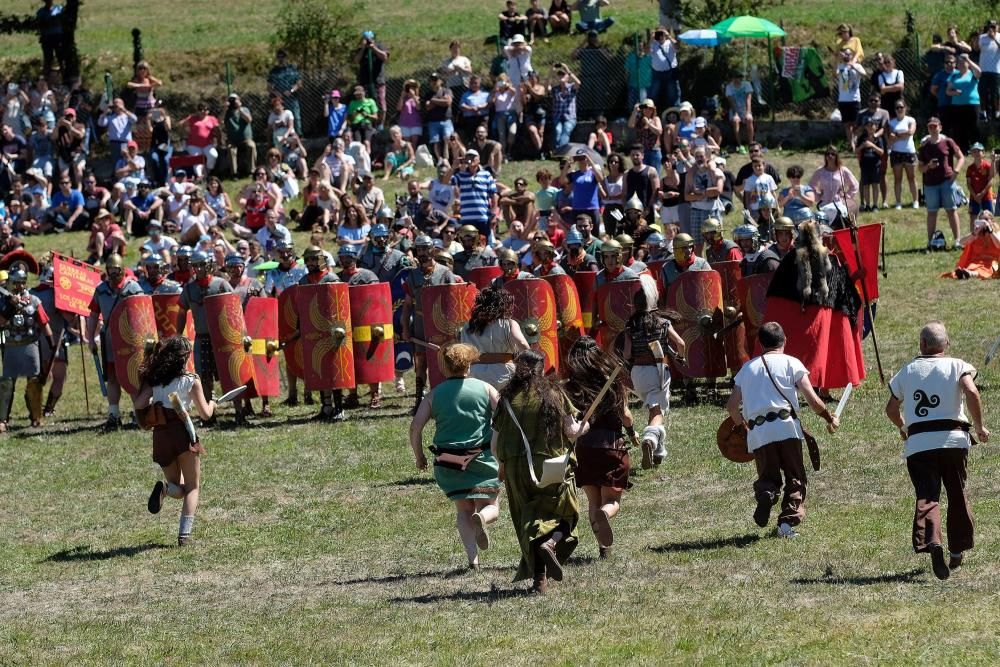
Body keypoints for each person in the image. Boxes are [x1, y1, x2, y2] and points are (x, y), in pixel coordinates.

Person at [885, 322, 989, 579]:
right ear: (947, 345)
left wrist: (902, 427)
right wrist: (979, 427)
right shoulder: (957, 365)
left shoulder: (908, 370)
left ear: (921, 344)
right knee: (956, 492)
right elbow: (972, 392)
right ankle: (957, 551)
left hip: (919, 444)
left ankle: (934, 542)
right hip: (954, 441)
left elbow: (890, 409)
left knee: (927, 495)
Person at [727, 321, 839, 538]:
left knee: (768, 476)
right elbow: (813, 399)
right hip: (787, 428)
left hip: (759, 432)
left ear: (760, 344)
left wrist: (744, 427)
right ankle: (786, 525)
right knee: (795, 478)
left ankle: (766, 493)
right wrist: (828, 417)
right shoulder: (791, 363)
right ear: (784, 340)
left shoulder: (747, 369)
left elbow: (732, 406)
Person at [491, 349, 586, 593]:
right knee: (567, 514)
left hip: (516, 468)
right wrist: (585, 427)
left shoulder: (506, 399)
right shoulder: (554, 394)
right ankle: (552, 544)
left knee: (528, 520)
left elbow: (495, 442)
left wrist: (502, 466)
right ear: (541, 368)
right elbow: (572, 431)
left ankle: (539, 581)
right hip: (550, 466)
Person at [409, 342, 500, 570]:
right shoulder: (486, 388)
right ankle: (484, 517)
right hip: (482, 458)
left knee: (463, 511)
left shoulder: (434, 395)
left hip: (448, 462)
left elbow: (415, 428)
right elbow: (504, 417)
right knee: (491, 505)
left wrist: (419, 456)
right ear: (469, 364)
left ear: (444, 367)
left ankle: (473, 560)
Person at [135, 336, 216, 546]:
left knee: (176, 487)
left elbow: (139, 403)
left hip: (161, 435)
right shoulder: (191, 380)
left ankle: (165, 488)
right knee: (192, 488)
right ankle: (184, 536)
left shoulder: (155, 380)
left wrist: (154, 397)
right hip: (182, 433)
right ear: (185, 357)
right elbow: (206, 414)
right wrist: (213, 403)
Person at [401, 235, 460, 414]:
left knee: (444, 361)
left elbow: (455, 301)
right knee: (420, 363)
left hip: (442, 325)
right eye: (419, 249)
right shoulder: (412, 275)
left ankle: (448, 398)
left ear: (433, 250)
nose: (423, 253)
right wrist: (405, 327)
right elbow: (407, 305)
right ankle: (419, 400)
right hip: (420, 323)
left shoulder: (445, 273)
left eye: (426, 249)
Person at [86, 255, 145, 432]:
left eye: (115, 270)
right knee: (112, 377)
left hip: (130, 340)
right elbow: (94, 314)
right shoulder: (101, 290)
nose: (112, 274)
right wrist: (90, 338)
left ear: (121, 270)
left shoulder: (133, 287)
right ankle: (114, 414)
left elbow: (143, 312)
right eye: (110, 270)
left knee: (133, 377)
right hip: (110, 340)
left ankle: (138, 413)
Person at [175, 251, 233, 409]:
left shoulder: (221, 284)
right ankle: (209, 410)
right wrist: (178, 336)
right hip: (201, 337)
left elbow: (234, 309)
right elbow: (181, 312)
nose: (199, 269)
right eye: (195, 265)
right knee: (204, 376)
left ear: (209, 265)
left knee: (229, 372)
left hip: (222, 338)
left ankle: (239, 408)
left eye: (202, 264)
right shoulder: (189, 289)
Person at [0, 269, 55, 431]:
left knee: (34, 382)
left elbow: (44, 324)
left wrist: (52, 346)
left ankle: (36, 417)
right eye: (16, 282)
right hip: (11, 347)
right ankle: (3, 420)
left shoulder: (34, 301)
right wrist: (10, 306)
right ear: (10, 283)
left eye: (22, 282)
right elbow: (1, 322)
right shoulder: (3, 302)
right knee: (7, 384)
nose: (19, 285)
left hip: (31, 346)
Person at [458, 286, 530, 388]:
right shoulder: (509, 324)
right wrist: (532, 363)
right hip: (503, 375)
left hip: (475, 376)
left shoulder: (467, 326)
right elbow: (522, 343)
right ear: (504, 304)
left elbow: (463, 352)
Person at [918, 117, 965, 250]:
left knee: (951, 210)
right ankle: (930, 242)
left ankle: (957, 241)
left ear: (940, 127)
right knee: (932, 212)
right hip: (930, 184)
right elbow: (920, 167)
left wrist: (956, 171)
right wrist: (928, 167)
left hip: (947, 182)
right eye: (930, 127)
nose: (932, 129)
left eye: (935, 126)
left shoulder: (948, 142)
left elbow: (961, 157)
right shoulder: (924, 146)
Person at [449, 150, 498, 239]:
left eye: (473, 157)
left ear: (478, 159)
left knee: (484, 245)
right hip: (466, 218)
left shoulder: (486, 174)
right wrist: (453, 167)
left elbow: (494, 195)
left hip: (483, 218)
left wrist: (494, 214)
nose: (470, 159)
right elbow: (445, 181)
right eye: (468, 157)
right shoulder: (460, 175)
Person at [685, 146, 725, 252]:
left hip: (711, 210)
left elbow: (718, 190)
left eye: (701, 156)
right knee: (697, 244)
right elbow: (687, 196)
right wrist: (705, 194)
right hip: (696, 211)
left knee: (715, 242)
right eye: (697, 156)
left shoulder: (715, 171)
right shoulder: (691, 174)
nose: (699, 159)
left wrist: (699, 192)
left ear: (707, 157)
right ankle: (700, 267)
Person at [945, 213, 1000, 279]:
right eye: (981, 220)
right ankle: (966, 273)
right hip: (977, 261)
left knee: (983, 269)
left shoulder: (997, 232)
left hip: (992, 262)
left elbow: (998, 244)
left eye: (986, 219)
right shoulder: (977, 234)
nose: (984, 222)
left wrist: (990, 231)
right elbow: (961, 242)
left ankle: (967, 273)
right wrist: (974, 233)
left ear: (992, 221)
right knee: (972, 267)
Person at [945, 54, 981, 151]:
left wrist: (968, 59)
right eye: (959, 63)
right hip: (957, 105)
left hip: (972, 104)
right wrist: (954, 92)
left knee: (973, 127)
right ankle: (963, 149)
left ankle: (977, 148)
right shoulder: (954, 76)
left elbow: (979, 72)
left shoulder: (972, 74)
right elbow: (948, 91)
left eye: (963, 62)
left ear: (968, 64)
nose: (961, 64)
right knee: (960, 128)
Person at [356, 30, 389, 128]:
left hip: (378, 81)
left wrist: (374, 48)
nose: (368, 41)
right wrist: (363, 48)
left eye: (369, 39)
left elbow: (385, 57)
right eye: (366, 39)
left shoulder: (379, 46)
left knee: (381, 105)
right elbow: (356, 60)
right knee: (366, 105)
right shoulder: (361, 49)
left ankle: (380, 125)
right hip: (365, 82)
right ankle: (369, 125)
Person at [835, 49, 866, 150]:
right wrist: (838, 60)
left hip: (855, 99)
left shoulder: (857, 65)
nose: (847, 56)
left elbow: (864, 74)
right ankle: (851, 144)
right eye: (845, 54)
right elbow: (835, 74)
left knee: (856, 123)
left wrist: (853, 67)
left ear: (852, 56)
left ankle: (855, 140)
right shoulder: (840, 66)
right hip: (843, 100)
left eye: (849, 54)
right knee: (847, 124)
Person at [266, 49, 302, 135]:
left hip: (291, 98)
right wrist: (276, 93)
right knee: (279, 118)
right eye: (279, 57)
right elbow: (268, 87)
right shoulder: (274, 71)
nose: (281, 59)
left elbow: (299, 83)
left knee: (296, 117)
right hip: (279, 100)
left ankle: (298, 136)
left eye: (283, 57)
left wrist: (291, 91)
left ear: (286, 57)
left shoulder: (292, 69)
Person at [855, 117, 886, 213]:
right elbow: (856, 151)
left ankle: (875, 205)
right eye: (867, 125)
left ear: (875, 127)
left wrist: (872, 145)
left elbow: (882, 152)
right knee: (866, 185)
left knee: (875, 185)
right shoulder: (862, 138)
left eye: (871, 125)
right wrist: (862, 146)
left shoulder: (878, 139)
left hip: (875, 165)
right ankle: (867, 204)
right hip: (864, 165)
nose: (869, 127)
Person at [423, 74, 454, 163]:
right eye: (432, 80)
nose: (434, 82)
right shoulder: (428, 94)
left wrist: (433, 100)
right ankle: (440, 160)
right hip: (433, 121)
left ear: (441, 81)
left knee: (447, 139)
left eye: (436, 80)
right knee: (435, 141)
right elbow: (428, 107)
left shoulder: (447, 91)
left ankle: (446, 159)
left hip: (446, 120)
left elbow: (448, 102)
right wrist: (441, 100)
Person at [224, 94, 256, 178]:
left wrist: (239, 109)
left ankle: (251, 171)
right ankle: (234, 173)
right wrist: (224, 109)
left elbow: (249, 120)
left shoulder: (244, 109)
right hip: (233, 140)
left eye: (235, 100)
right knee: (231, 150)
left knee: (251, 146)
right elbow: (219, 121)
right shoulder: (227, 112)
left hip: (245, 139)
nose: (233, 102)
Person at [965, 143, 994, 232]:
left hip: (986, 196)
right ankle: (973, 237)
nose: (977, 153)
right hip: (974, 197)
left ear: (983, 153)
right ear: (972, 154)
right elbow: (969, 184)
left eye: (979, 151)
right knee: (973, 218)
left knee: (988, 217)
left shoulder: (987, 166)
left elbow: (991, 180)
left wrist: (982, 194)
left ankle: (991, 236)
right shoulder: (970, 168)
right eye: (974, 151)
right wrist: (975, 196)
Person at [648, 27, 679, 111]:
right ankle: (652, 111)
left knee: (672, 93)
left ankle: (673, 111)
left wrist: (668, 35)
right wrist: (651, 38)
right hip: (657, 73)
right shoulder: (654, 44)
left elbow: (677, 47)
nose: (660, 37)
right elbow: (647, 51)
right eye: (658, 34)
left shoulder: (670, 43)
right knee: (653, 93)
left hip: (670, 73)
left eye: (662, 34)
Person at [629, 99, 663, 170]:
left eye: (650, 109)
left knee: (655, 175)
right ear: (642, 109)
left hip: (654, 151)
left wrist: (648, 123)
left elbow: (659, 132)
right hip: (642, 152)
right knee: (643, 174)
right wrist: (635, 111)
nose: (648, 110)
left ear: (653, 110)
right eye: (645, 108)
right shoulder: (638, 119)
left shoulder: (656, 119)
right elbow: (630, 125)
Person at [724, 71, 754, 152]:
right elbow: (731, 102)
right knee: (735, 121)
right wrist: (736, 114)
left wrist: (748, 112)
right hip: (735, 109)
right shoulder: (729, 87)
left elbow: (748, 99)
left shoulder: (747, 84)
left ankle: (751, 144)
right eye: (735, 78)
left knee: (749, 119)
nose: (737, 79)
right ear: (732, 79)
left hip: (745, 109)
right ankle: (740, 145)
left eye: (739, 77)